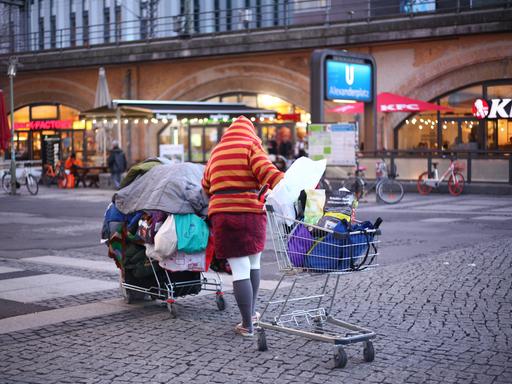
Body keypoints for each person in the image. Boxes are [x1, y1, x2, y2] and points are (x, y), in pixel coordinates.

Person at [202, 116, 284, 337]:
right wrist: (290, 185)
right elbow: (268, 173)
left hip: (222, 215)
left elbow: (205, 184)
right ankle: (249, 321)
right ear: (251, 131)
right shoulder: (250, 146)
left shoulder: (216, 152)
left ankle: (248, 320)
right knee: (253, 263)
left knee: (240, 269)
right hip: (250, 214)